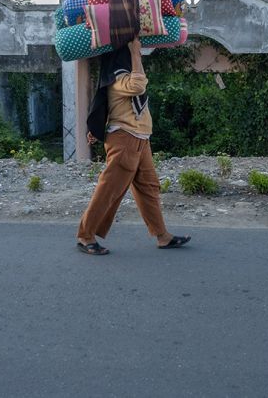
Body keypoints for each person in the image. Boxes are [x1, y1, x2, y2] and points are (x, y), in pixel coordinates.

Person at [76, 38, 191, 255]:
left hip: (140, 140)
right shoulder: (119, 78)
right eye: (128, 56)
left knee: (149, 187)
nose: (133, 57)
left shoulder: (123, 75)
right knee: (109, 189)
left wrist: (135, 51)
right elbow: (138, 85)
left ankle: (162, 236)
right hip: (124, 139)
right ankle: (85, 235)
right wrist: (136, 53)